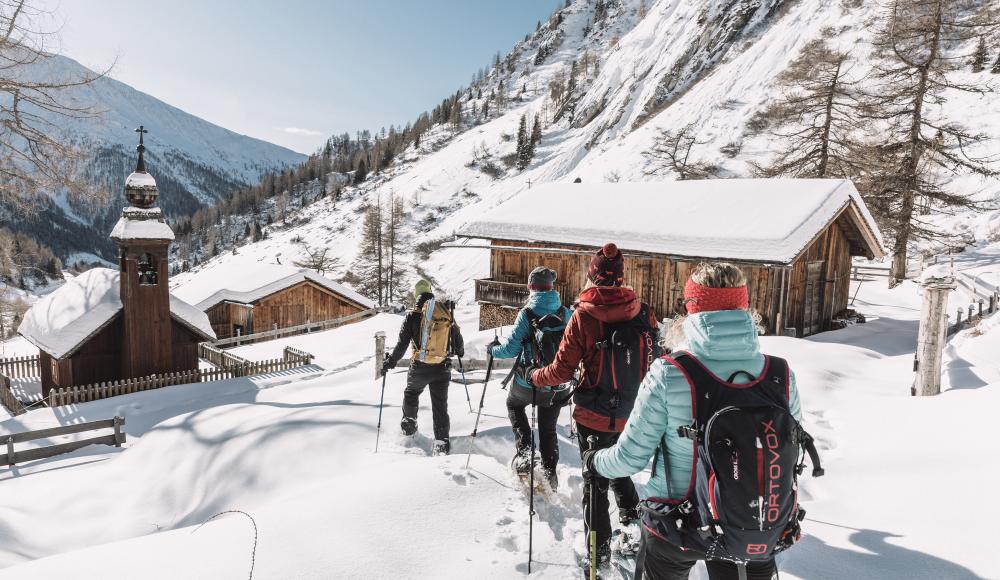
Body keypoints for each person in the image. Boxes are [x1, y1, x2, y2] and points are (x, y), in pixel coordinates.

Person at [581, 262, 805, 580]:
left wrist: (594, 461)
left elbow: (630, 458)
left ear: (692, 310)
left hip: (677, 526)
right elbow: (789, 449)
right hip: (751, 525)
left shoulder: (670, 372)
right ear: (745, 307)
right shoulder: (780, 376)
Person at [529, 243, 659, 566]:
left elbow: (561, 371)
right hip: (633, 415)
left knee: (595, 483)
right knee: (620, 464)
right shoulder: (644, 313)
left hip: (593, 415)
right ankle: (633, 522)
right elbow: (659, 361)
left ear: (592, 276)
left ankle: (597, 555)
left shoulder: (584, 317)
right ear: (621, 277)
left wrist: (534, 376)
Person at [488, 266, 572, 490]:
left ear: (531, 287)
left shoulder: (527, 313)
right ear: (552, 287)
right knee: (548, 428)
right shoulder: (566, 313)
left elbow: (510, 350)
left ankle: (525, 451)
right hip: (558, 384)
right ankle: (550, 475)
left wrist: (492, 351)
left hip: (530, 381)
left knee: (514, 405)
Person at [382, 279, 464, 455]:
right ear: (430, 292)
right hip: (442, 367)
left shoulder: (412, 315)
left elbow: (402, 345)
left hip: (419, 367)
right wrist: (457, 352)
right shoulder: (444, 311)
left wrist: (390, 362)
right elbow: (459, 346)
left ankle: (409, 429)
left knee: (411, 394)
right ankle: (442, 443)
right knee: (440, 405)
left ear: (416, 295)